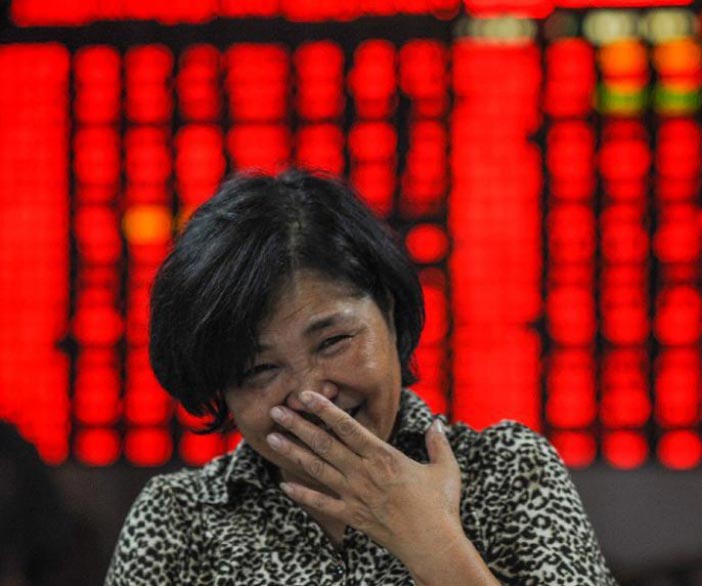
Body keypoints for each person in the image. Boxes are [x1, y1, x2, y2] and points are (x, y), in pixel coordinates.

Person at [105, 168, 616, 585]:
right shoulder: (180, 518)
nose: (310, 394)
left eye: (333, 342)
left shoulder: (507, 473)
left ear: (390, 316)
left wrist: (433, 543)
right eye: (260, 369)